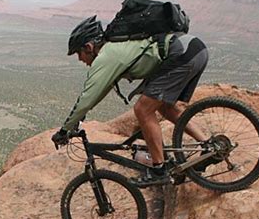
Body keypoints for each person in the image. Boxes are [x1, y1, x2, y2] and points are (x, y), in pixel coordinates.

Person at [51, 15, 209, 186]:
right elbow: (100, 91)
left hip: (182, 53)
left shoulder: (108, 56)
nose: (80, 59)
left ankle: (159, 169)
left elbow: (88, 96)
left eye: (78, 53)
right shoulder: (115, 49)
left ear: (88, 47)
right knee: (165, 108)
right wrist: (80, 117)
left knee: (143, 109)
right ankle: (209, 145)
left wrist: (64, 130)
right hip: (194, 49)